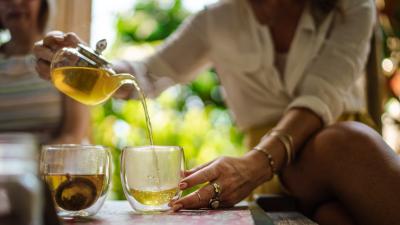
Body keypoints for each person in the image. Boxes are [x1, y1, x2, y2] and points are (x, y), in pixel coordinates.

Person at [34, 0, 400, 224]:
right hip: (285, 171)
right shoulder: (217, 19)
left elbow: (320, 96)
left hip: (321, 154)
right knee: (347, 145)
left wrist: (253, 165)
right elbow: (148, 74)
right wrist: (89, 65)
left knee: (335, 214)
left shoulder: (351, 5)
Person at [0, 0, 90, 144]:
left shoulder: (64, 55)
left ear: (43, 4)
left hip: (59, 164)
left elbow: (73, 135)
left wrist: (31, 164)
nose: (16, 2)